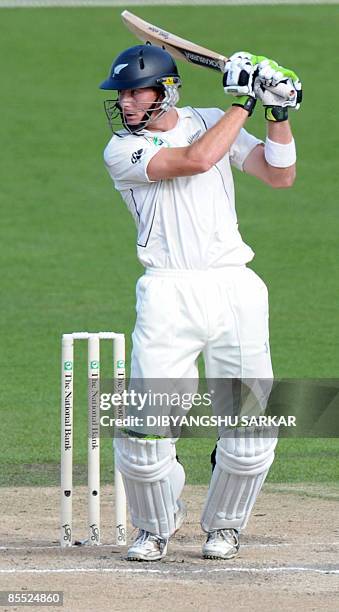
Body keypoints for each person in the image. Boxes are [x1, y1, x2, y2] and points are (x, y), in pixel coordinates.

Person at [99, 45, 302, 561]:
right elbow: (196, 159)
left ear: (165, 90)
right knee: (146, 430)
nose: (124, 103)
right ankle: (154, 527)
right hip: (168, 291)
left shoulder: (209, 120)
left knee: (251, 427)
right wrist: (243, 101)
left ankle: (226, 526)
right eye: (121, 93)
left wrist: (277, 112)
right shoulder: (122, 151)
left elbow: (279, 174)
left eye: (135, 91)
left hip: (235, 287)